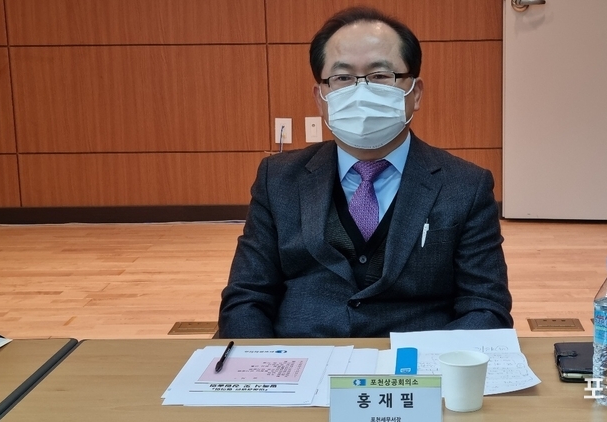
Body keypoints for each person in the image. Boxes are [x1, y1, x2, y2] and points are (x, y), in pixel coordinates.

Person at [218, 6, 512, 338]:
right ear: (321, 98)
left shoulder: (466, 185)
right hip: (302, 357)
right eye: (342, 78)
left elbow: (485, 307)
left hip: (413, 362)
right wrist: (268, 364)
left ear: (415, 93)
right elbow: (246, 298)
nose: (361, 92)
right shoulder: (278, 179)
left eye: (380, 76)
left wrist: (431, 366)